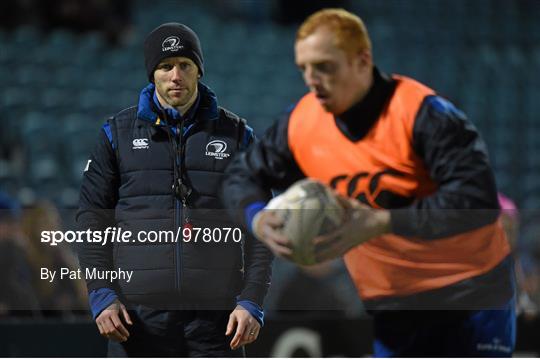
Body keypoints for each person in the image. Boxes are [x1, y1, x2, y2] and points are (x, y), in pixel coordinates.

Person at [222, 9, 516, 357]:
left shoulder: (423, 115)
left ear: (362, 61)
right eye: (304, 68)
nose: (312, 79)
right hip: (391, 304)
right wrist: (257, 217)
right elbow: (242, 175)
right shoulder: (302, 123)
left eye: (325, 67)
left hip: (470, 296)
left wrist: (381, 222)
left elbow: (477, 203)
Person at [77, 22, 273, 357]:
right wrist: (101, 293)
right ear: (152, 73)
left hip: (217, 324)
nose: (175, 76)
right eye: (165, 66)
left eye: (185, 65)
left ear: (199, 70)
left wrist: (252, 299)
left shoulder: (238, 136)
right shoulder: (116, 134)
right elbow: (91, 222)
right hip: (136, 322)